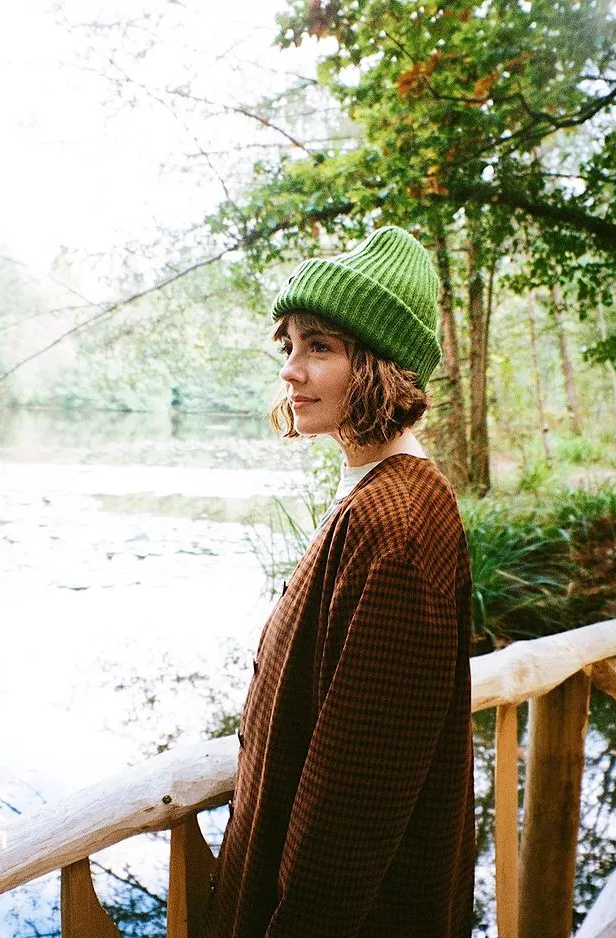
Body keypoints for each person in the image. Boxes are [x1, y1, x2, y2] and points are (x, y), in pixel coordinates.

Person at [200, 226, 474, 938]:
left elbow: (353, 807)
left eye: (319, 346)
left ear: (382, 367)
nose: (291, 371)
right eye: (288, 346)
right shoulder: (375, 497)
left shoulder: (399, 527)